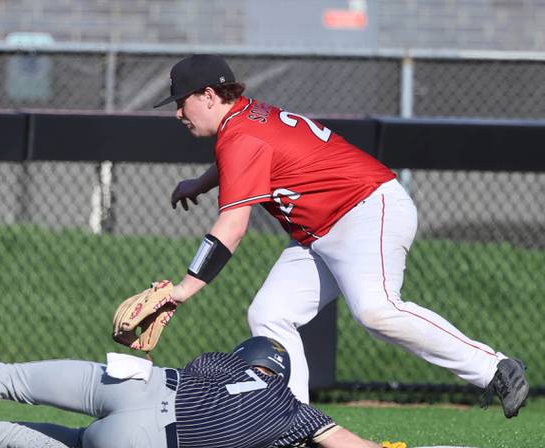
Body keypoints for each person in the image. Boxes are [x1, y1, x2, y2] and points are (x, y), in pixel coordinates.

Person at [152, 54, 529, 416]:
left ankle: (495, 368)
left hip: (365, 210)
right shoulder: (246, 118)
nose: (178, 113)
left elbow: (232, 228)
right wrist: (202, 183)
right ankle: (295, 424)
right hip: (319, 232)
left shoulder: (241, 135)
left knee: (376, 310)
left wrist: (184, 289)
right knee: (270, 313)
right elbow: (245, 157)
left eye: (181, 102)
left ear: (208, 95)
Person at [0, 336, 402, 448]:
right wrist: (308, 442)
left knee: (9, 374)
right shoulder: (294, 411)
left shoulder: (219, 364)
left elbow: (211, 382)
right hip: (149, 442)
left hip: (142, 382)